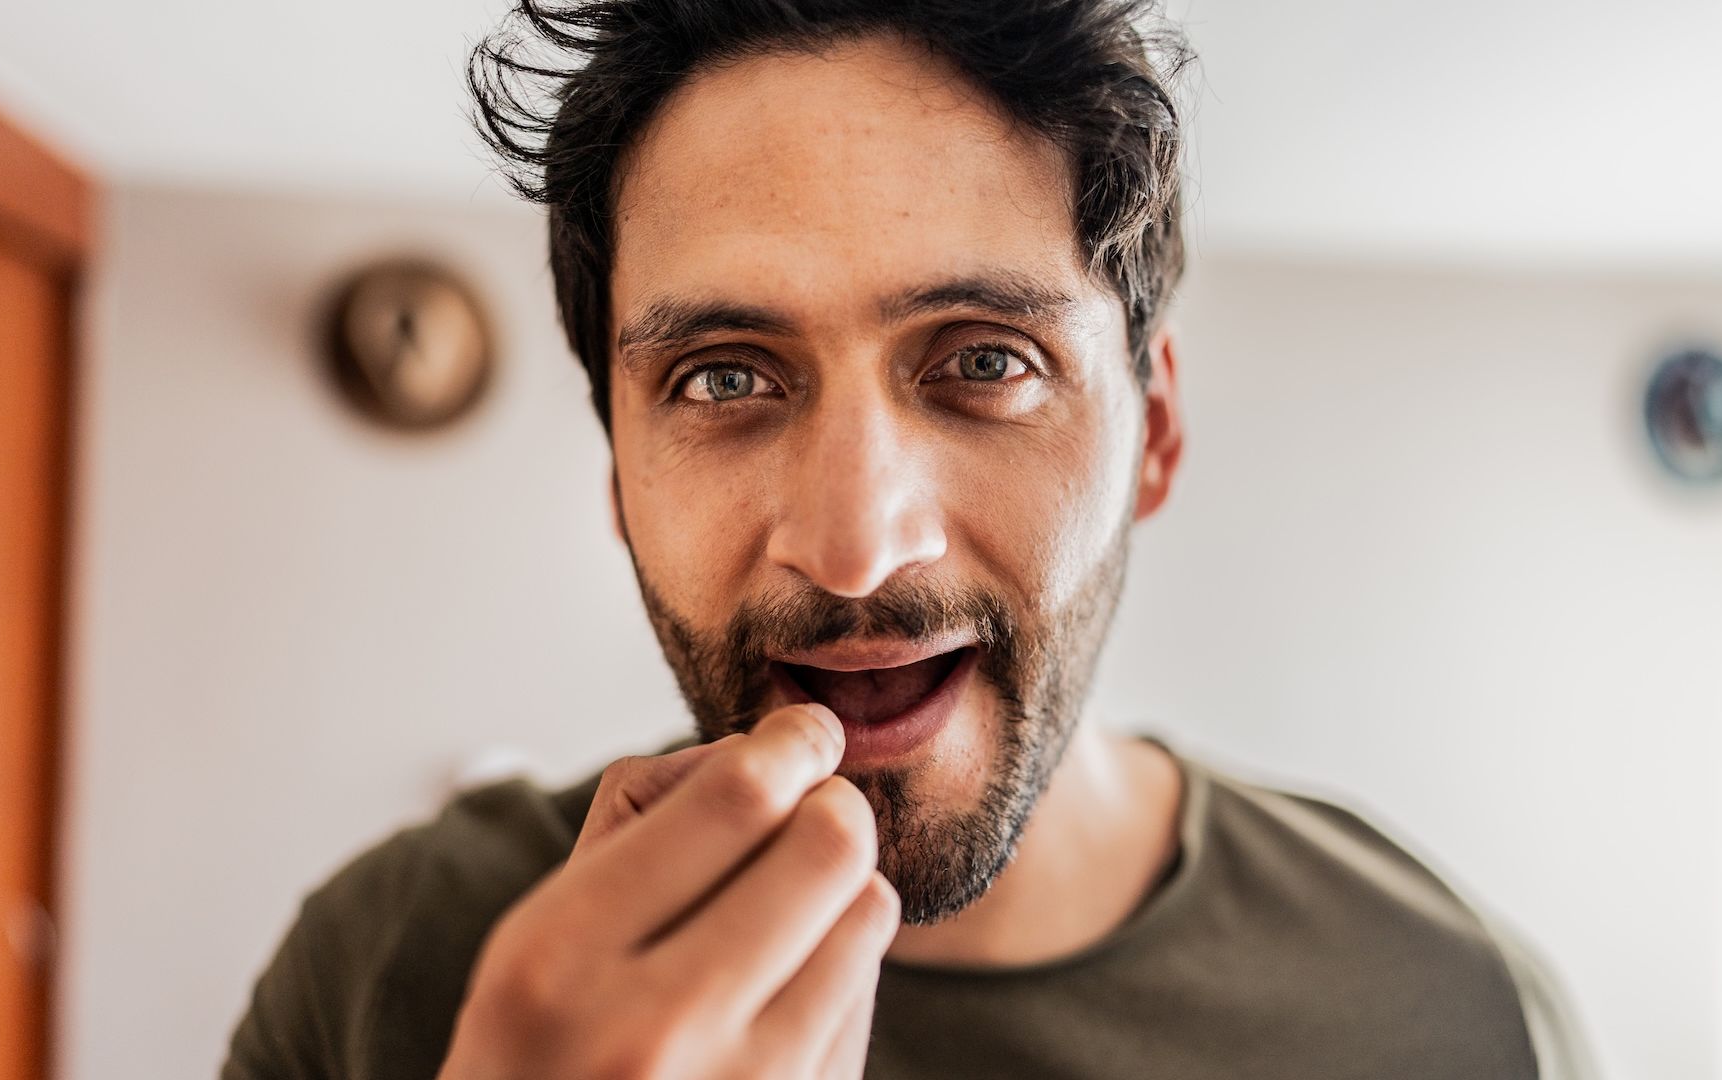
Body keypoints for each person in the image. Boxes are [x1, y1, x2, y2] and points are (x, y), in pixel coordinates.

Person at [223, 1, 1598, 1076]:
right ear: (618, 470)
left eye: (986, 362)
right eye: (723, 377)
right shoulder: (390, 973)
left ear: (1155, 434)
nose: (855, 546)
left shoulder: (1454, 1011)